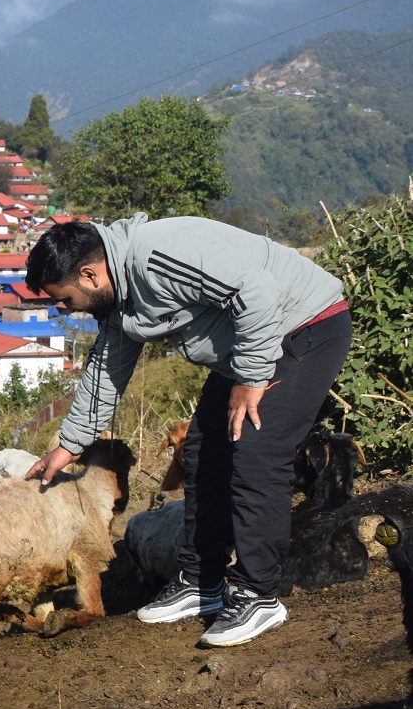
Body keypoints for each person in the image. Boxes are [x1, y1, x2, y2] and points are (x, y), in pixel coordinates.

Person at [24, 213, 351, 647]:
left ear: (88, 274)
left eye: (65, 299)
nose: (67, 309)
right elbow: (106, 368)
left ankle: (259, 594)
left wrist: (251, 380)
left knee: (255, 450)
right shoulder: (116, 293)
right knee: (201, 450)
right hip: (249, 343)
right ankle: (202, 581)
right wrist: (69, 444)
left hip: (305, 326)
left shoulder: (160, 254)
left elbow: (256, 293)